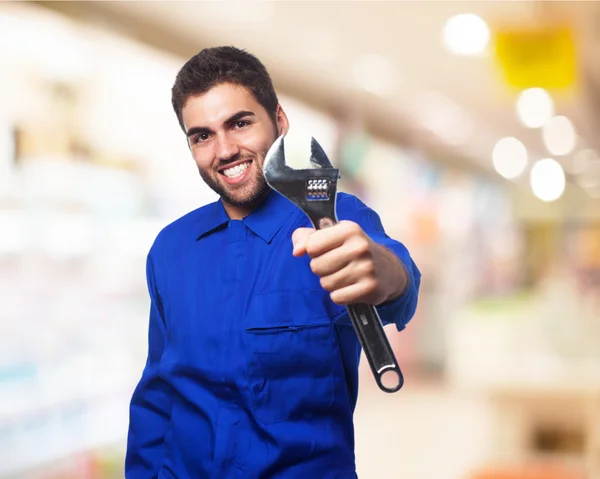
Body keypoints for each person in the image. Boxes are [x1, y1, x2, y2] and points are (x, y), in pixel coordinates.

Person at [125, 46, 421, 479]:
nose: (224, 150)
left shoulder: (334, 219)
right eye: (202, 136)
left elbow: (399, 283)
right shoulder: (170, 248)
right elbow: (157, 394)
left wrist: (383, 272)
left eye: (240, 123)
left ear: (279, 121)